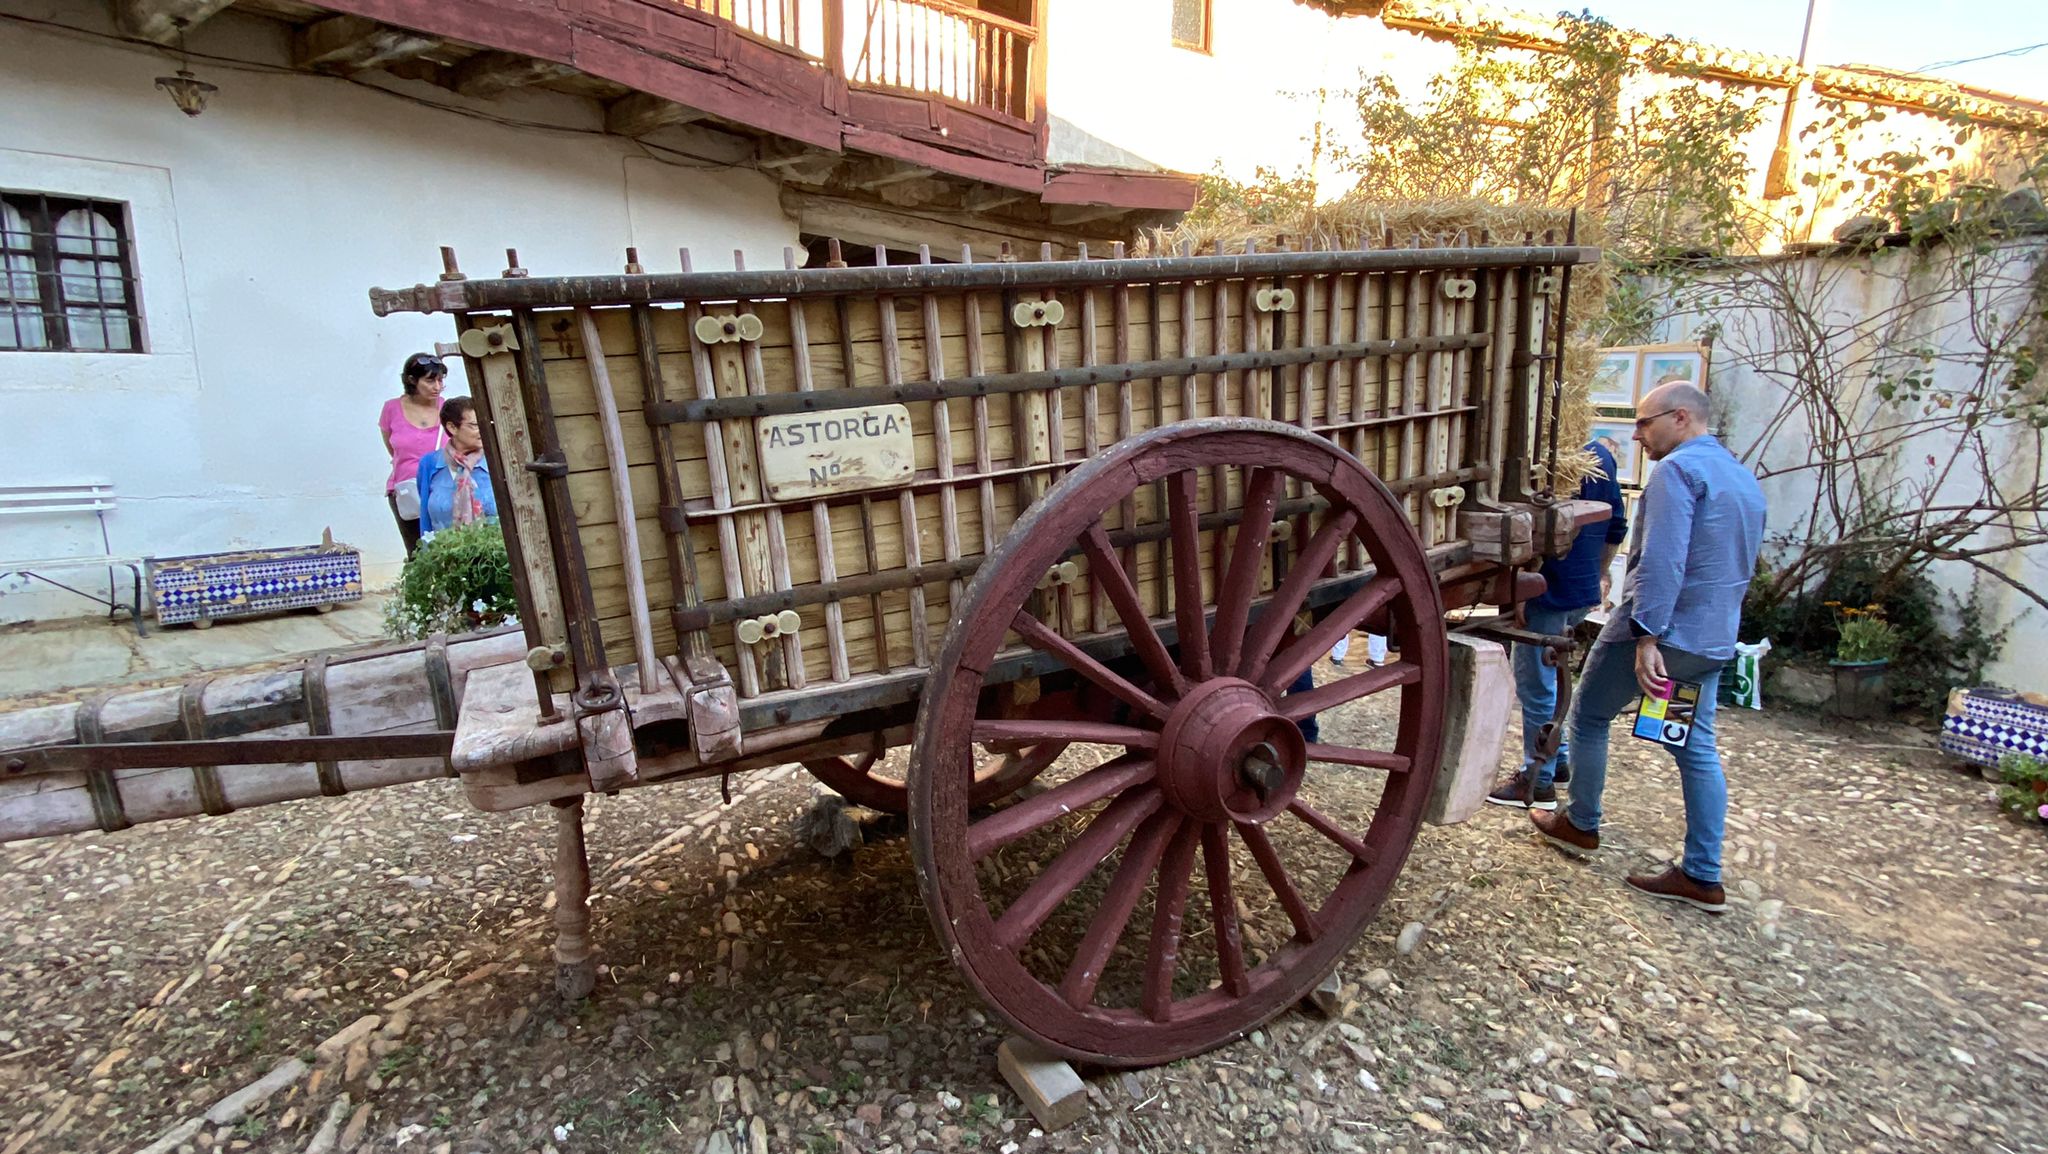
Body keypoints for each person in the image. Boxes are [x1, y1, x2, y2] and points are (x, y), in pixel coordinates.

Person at [1530, 381, 1765, 915]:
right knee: (1692, 746)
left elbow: (1662, 562)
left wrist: (1646, 639)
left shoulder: (1677, 473)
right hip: (1709, 640)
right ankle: (1703, 875)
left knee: (1588, 717)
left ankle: (1580, 823)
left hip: (1663, 633)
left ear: (1680, 418)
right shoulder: (1740, 476)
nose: (1637, 436)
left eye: (1644, 422)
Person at [1486, 439, 1629, 811]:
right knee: (1549, 677)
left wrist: (1520, 590)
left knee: (1536, 685)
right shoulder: (1599, 458)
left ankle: (1538, 778)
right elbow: (1616, 525)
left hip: (1548, 589)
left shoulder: (1542, 457)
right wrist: (1601, 573)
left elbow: (1531, 534)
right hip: (1581, 588)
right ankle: (1558, 757)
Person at [378, 353, 449, 557]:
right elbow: (393, 448)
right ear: (412, 380)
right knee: (417, 553)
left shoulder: (447, 408)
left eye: (440, 380)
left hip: (441, 489)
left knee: (447, 550)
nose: (437, 386)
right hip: (406, 490)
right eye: (430, 380)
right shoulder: (391, 408)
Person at [416, 397, 498, 535]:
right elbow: (425, 518)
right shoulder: (430, 464)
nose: (482, 430)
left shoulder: (495, 461)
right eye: (474, 425)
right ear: (452, 427)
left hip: (495, 551)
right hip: (447, 551)